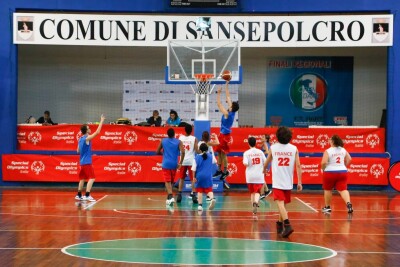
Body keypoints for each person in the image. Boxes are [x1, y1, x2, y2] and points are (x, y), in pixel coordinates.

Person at [265, 126, 302, 238]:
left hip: (278, 181)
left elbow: (267, 161)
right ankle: (279, 224)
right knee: (283, 205)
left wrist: (263, 169)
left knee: (280, 204)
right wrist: (299, 182)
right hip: (288, 181)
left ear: (277, 136)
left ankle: (287, 224)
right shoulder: (294, 148)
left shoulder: (274, 147)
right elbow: (298, 166)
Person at [213, 81, 239, 185]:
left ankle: (226, 170)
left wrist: (218, 93)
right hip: (221, 134)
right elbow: (228, 96)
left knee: (223, 154)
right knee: (218, 152)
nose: (229, 103)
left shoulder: (227, 113)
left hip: (225, 135)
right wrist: (227, 84)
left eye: (231, 104)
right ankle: (219, 170)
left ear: (232, 107)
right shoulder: (231, 110)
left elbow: (219, 104)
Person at [75, 114, 105, 202]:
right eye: (88, 128)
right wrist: (102, 121)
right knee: (92, 178)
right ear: (86, 130)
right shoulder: (86, 139)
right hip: (87, 162)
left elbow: (78, 151)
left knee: (82, 179)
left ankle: (79, 195)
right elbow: (98, 132)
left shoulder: (80, 139)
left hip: (82, 162)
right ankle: (87, 195)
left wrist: (85, 151)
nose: (90, 128)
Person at [321, 134, 353, 214]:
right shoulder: (343, 149)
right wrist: (344, 166)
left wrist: (323, 168)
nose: (328, 140)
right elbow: (349, 159)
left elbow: (324, 162)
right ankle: (348, 203)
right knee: (343, 189)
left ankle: (327, 207)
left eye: (329, 139)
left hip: (329, 172)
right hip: (342, 172)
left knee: (328, 189)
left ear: (332, 141)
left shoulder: (328, 151)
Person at [156, 128, 185, 206]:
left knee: (167, 181)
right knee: (171, 181)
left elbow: (157, 151)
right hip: (174, 164)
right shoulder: (178, 142)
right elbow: (183, 152)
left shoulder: (163, 141)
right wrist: (181, 163)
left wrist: (163, 154)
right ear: (174, 134)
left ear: (167, 134)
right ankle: (169, 197)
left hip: (166, 163)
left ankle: (170, 196)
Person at [243, 137, 269, 215]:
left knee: (252, 193)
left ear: (248, 143)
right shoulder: (260, 152)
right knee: (257, 192)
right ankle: (256, 202)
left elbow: (245, 163)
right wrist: (265, 169)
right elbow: (265, 162)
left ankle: (253, 210)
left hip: (250, 176)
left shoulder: (246, 153)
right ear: (255, 143)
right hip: (259, 175)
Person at [177, 124, 199, 203]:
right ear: (191, 130)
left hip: (182, 161)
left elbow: (177, 149)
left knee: (181, 178)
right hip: (191, 161)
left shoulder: (180, 138)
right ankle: (194, 195)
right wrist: (203, 151)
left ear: (184, 130)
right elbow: (197, 151)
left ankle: (179, 194)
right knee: (192, 179)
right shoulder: (194, 139)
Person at [192, 143, 217, 212]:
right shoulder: (210, 156)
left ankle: (200, 206)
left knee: (199, 191)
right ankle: (212, 199)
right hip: (208, 176)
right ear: (207, 149)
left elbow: (193, 169)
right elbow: (215, 161)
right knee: (209, 190)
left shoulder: (196, 157)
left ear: (199, 149)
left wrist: (194, 177)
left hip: (199, 176)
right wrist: (212, 153)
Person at [198, 131, 220, 201]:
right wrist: (215, 136)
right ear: (208, 137)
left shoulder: (199, 143)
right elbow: (218, 143)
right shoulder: (207, 143)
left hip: (201, 162)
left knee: (202, 179)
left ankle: (202, 195)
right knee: (208, 178)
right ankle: (209, 195)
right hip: (208, 162)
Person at [259, 134, 272, 200]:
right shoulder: (265, 143)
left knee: (261, 178)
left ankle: (262, 194)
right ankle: (266, 190)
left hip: (266, 163)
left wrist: (260, 155)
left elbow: (267, 152)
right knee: (261, 177)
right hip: (267, 162)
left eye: (263, 137)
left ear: (266, 139)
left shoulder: (265, 143)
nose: (261, 137)